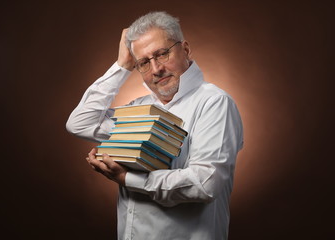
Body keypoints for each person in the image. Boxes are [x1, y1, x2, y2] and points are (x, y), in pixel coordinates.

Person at [66, 11, 243, 240]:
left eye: (162, 54)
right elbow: (80, 122)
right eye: (143, 63)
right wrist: (122, 66)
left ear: (186, 49)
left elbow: (204, 183)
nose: (156, 69)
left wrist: (127, 179)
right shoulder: (137, 108)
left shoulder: (215, 103)